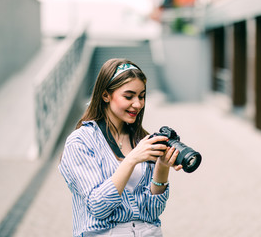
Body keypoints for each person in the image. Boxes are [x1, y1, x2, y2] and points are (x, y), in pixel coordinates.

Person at [59, 58, 182, 237]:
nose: (138, 104)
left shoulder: (141, 139)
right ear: (105, 95)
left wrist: (162, 166)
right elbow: (98, 207)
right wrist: (131, 159)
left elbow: (153, 211)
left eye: (141, 96)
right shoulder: (80, 141)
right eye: (129, 96)